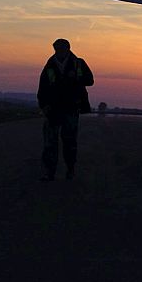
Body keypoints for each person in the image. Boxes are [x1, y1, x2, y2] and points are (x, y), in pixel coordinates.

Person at [38, 38, 94, 180]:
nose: (59, 51)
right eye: (57, 49)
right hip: (53, 110)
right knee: (50, 143)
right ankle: (49, 173)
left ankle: (70, 169)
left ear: (68, 49)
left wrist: (76, 78)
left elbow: (90, 80)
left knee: (69, 142)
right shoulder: (49, 66)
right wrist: (43, 106)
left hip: (71, 108)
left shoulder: (78, 63)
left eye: (62, 48)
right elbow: (42, 88)